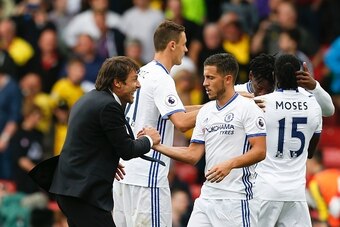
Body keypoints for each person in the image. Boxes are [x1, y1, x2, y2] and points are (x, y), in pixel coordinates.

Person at [30, 56, 161, 227]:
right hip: (82, 195)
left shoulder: (90, 98)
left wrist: (107, 160)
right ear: (117, 83)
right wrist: (150, 139)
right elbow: (127, 150)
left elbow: (89, 141)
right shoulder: (108, 106)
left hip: (71, 190)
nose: (138, 85)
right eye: (134, 79)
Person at [152, 53, 267, 226]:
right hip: (207, 197)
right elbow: (192, 154)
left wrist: (230, 164)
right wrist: (157, 146)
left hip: (236, 199)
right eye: (205, 77)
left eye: (210, 77)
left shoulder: (248, 108)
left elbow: (260, 151)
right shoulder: (206, 111)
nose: (205, 83)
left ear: (228, 79)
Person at [112, 20, 201, 227]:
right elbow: (181, 122)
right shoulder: (162, 79)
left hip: (124, 175)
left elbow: (174, 111)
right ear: (172, 45)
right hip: (147, 176)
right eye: (184, 44)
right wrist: (218, 108)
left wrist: (216, 105)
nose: (186, 49)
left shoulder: (141, 72)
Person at [255, 54, 322, 226]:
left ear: (274, 75)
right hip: (295, 193)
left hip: (265, 190)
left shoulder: (261, 103)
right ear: (299, 75)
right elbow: (310, 152)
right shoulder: (313, 105)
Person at [235, 53, 335, 117]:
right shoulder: (234, 93)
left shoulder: (287, 95)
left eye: (269, 90)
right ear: (251, 76)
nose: (263, 94)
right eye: (259, 88)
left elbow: (329, 111)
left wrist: (315, 87)